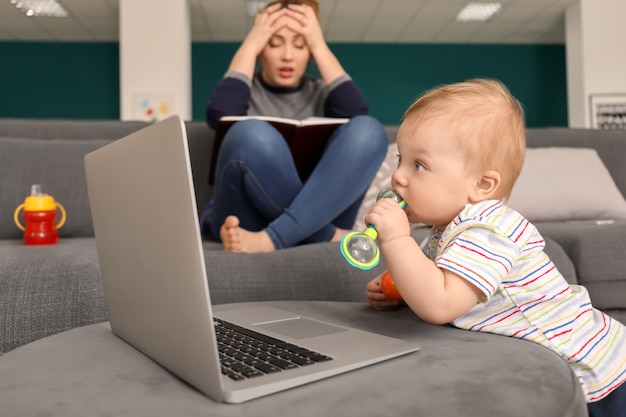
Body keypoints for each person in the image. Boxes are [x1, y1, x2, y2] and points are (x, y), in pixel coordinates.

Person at [365, 78, 626, 416]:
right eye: (401, 159)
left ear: (481, 185)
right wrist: (399, 285)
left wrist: (397, 240)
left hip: (599, 375)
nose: (398, 177)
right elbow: (436, 276)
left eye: (419, 165)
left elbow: (441, 303)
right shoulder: (444, 229)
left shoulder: (488, 229)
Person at [202, 0, 387, 253]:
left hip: (319, 211)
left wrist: (318, 44)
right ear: (260, 49)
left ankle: (273, 238)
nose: (287, 55)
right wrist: (251, 42)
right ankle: (325, 235)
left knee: (369, 130)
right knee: (250, 133)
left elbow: (357, 113)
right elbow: (221, 115)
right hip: (249, 219)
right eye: (274, 43)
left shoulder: (323, 93)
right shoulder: (243, 91)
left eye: (300, 45)